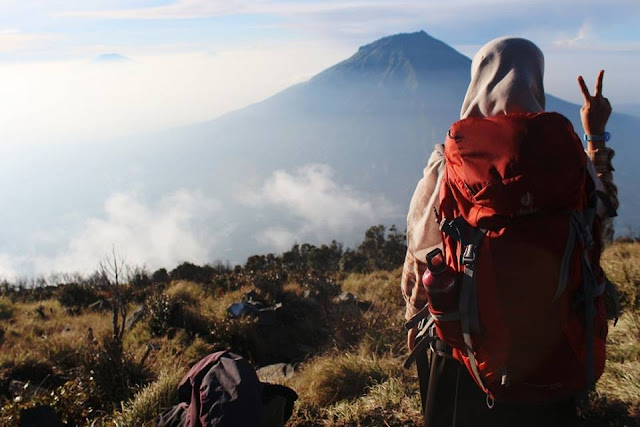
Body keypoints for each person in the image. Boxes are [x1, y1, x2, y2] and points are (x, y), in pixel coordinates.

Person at [401, 37, 618, 426]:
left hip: (467, 356)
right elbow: (603, 216)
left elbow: (420, 262)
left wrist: (417, 321)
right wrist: (595, 138)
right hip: (556, 349)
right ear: (537, 83)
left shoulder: (449, 165)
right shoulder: (567, 162)